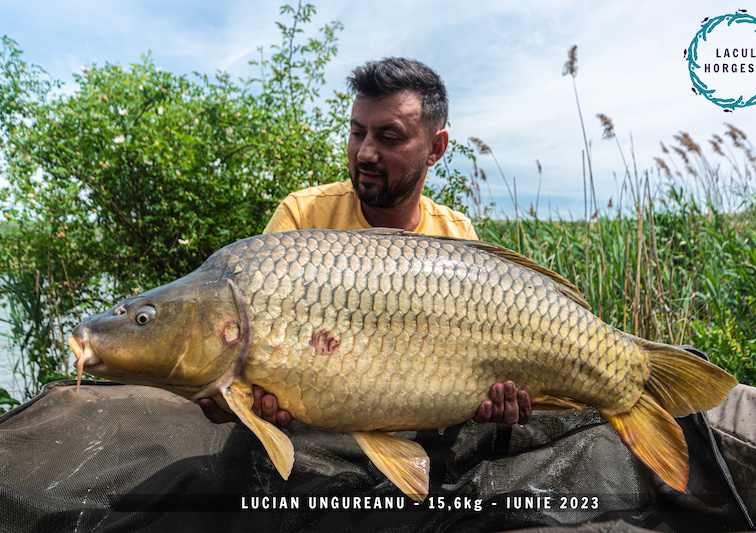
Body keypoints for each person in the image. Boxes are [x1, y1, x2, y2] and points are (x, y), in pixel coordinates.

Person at [199, 57, 532, 428]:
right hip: (318, 434)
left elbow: (491, 374)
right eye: (358, 133)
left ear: (435, 148)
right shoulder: (302, 216)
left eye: (389, 138)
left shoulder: (456, 237)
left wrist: (503, 404)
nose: (366, 153)